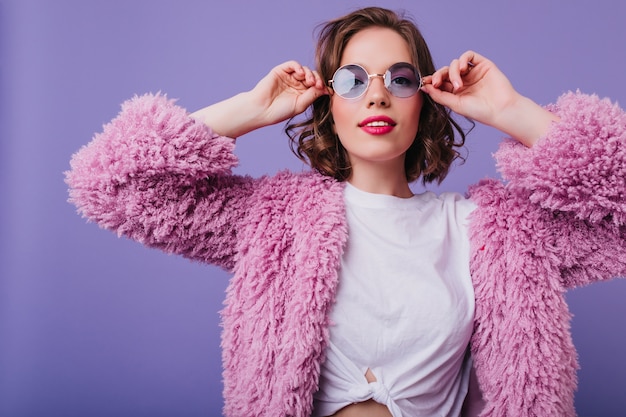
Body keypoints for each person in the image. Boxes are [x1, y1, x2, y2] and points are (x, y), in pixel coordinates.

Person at [65, 6, 626, 417]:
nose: (377, 96)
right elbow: (110, 184)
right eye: (352, 81)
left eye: (399, 79)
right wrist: (250, 109)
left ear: (425, 100)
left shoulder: (493, 232)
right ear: (327, 105)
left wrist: (512, 110)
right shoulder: (275, 221)